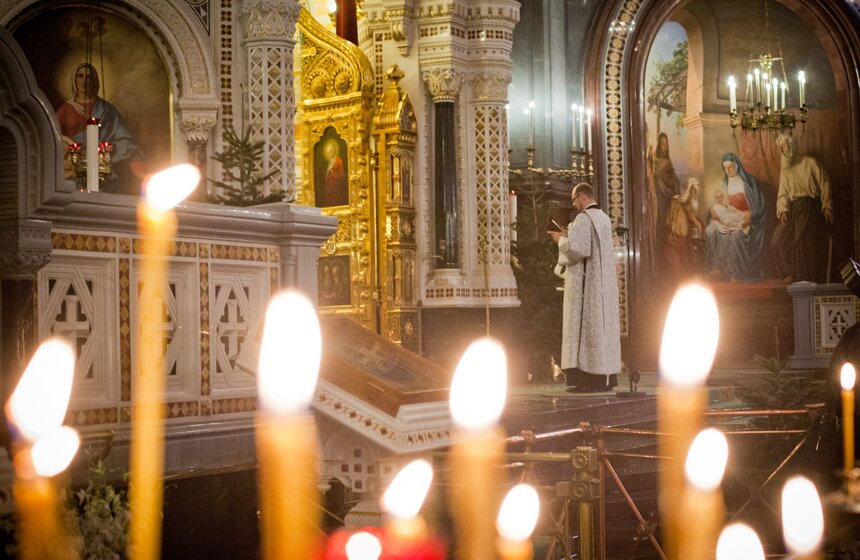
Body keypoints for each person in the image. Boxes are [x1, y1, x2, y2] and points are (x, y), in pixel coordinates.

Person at [549, 183, 621, 391]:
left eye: (574, 200)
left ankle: (586, 380)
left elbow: (577, 250)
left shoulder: (583, 218)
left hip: (587, 287)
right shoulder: (604, 218)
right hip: (603, 286)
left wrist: (560, 239)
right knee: (601, 330)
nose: (573, 205)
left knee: (584, 329)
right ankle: (605, 379)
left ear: (582, 197)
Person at [55, 62, 144, 194]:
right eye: (80, 76)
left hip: (102, 167)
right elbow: (55, 139)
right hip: (73, 167)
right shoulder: (64, 110)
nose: (84, 80)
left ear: (95, 81)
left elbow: (124, 141)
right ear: (74, 79)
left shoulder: (108, 110)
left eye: (89, 77)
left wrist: (106, 151)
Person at [771, 133, 833, 283]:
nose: (783, 150)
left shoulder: (810, 162)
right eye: (781, 147)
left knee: (804, 245)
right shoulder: (785, 169)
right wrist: (783, 209)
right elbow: (783, 193)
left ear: (793, 146)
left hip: (811, 208)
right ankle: (789, 273)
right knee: (776, 241)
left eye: (785, 145)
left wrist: (827, 206)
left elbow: (825, 183)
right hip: (794, 209)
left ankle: (805, 280)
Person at [704, 153, 766, 281]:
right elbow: (720, 201)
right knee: (716, 231)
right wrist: (713, 210)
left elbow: (759, 204)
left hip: (747, 219)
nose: (728, 171)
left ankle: (734, 273)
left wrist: (751, 214)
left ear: (737, 166)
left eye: (731, 167)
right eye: (725, 168)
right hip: (732, 216)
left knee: (734, 237)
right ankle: (719, 268)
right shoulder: (726, 182)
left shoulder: (749, 182)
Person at [663, 177, 705, 281]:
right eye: (693, 192)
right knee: (677, 271)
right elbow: (677, 227)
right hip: (675, 243)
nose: (695, 195)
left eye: (696, 193)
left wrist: (695, 222)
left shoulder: (691, 206)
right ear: (688, 190)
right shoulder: (676, 202)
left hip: (687, 244)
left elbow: (697, 224)